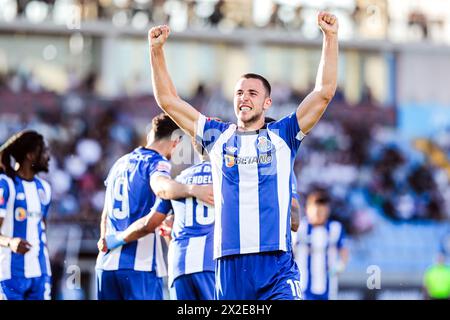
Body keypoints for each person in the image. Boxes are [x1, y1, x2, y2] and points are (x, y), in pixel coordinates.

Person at [148, 11, 338, 300]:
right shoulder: (217, 136)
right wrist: (156, 51)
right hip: (230, 264)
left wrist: (330, 37)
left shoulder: (283, 135)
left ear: (267, 102)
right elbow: (168, 100)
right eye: (239, 93)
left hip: (276, 265)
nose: (244, 98)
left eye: (252, 92)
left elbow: (323, 92)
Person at [95, 113, 213, 300]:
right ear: (175, 141)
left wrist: (105, 240)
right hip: (140, 266)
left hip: (106, 265)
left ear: (151, 135)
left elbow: (105, 212)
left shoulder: (119, 163)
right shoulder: (157, 163)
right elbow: (160, 191)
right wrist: (192, 189)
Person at [0, 130, 52, 300]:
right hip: (9, 274)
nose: (48, 157)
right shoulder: (6, 185)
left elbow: (42, 229)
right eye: (43, 151)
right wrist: (10, 242)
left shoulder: (44, 189)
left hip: (40, 273)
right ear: (30, 155)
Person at [294, 189, 349, 300]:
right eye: (316, 208)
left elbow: (344, 250)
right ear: (307, 209)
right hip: (304, 287)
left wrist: (340, 266)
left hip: (328, 288)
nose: (319, 212)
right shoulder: (300, 228)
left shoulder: (335, 228)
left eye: (322, 209)